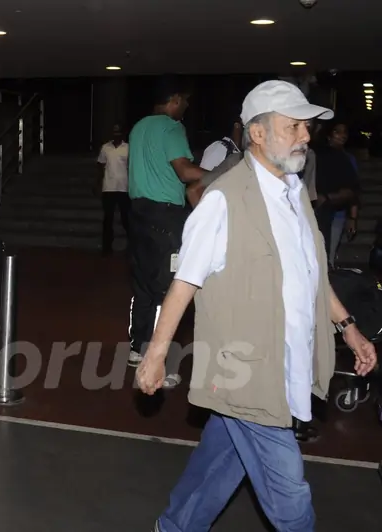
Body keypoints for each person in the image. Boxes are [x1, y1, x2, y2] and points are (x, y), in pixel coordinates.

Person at [137, 80, 377, 531]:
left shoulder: (295, 194)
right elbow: (184, 282)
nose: (305, 136)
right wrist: (155, 354)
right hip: (247, 371)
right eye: (293, 127)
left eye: (306, 127)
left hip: (287, 361)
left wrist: (348, 326)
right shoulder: (223, 201)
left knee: (222, 458)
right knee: (290, 496)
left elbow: (312, 275)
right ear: (258, 133)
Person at [126, 76, 205, 389]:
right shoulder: (172, 128)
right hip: (166, 217)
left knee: (143, 284)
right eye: (184, 100)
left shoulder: (138, 127)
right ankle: (163, 361)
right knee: (170, 288)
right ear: (174, 100)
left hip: (137, 213)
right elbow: (185, 172)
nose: (186, 106)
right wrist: (223, 173)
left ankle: (137, 348)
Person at [314, 121, 361, 267]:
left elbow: (353, 189)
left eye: (344, 132)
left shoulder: (347, 159)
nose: (342, 136)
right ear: (328, 135)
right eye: (337, 132)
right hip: (318, 210)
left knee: (328, 256)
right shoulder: (317, 155)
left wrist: (352, 217)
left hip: (338, 212)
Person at [97, 124, 130, 255]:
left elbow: (131, 167)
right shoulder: (105, 148)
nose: (116, 134)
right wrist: (98, 183)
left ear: (122, 133)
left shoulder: (128, 148)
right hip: (108, 187)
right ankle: (106, 247)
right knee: (108, 219)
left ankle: (132, 246)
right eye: (114, 131)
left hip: (123, 187)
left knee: (126, 218)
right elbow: (100, 165)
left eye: (118, 132)